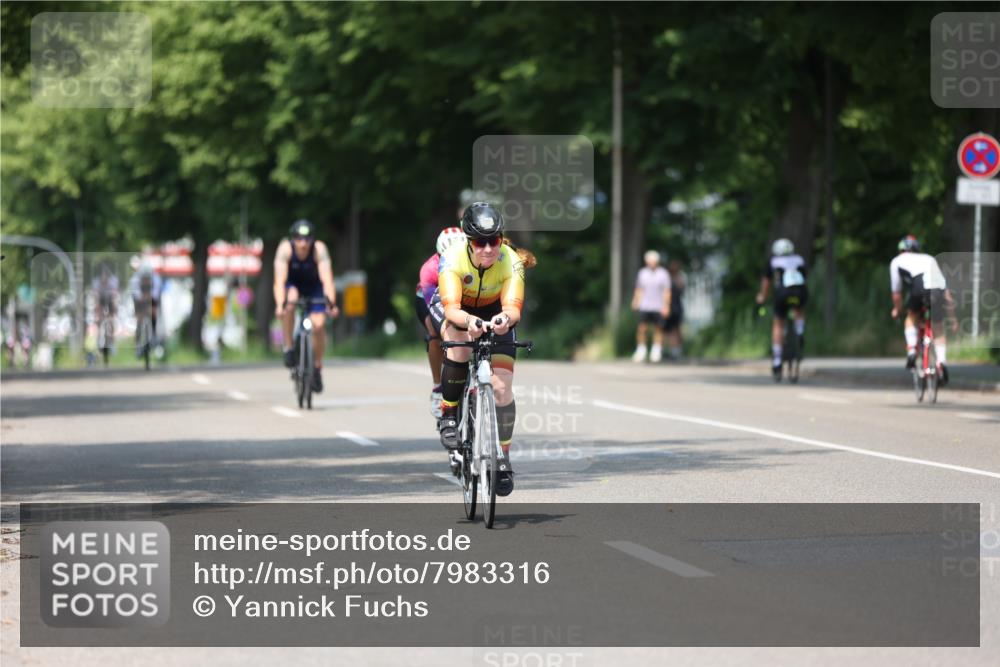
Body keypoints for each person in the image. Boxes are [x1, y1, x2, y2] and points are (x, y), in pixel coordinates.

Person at [431, 202, 535, 496]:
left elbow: (513, 309)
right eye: (480, 242)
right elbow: (451, 308)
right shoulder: (452, 259)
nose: (488, 248)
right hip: (459, 309)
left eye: (494, 240)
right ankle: (449, 415)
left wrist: (504, 320)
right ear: (468, 241)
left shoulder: (511, 260)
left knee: (502, 389)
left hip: (495, 310)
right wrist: (469, 321)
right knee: (460, 347)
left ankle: (503, 457)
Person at [273, 219, 339, 393]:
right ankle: (288, 346)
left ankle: (316, 367)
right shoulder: (285, 250)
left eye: (307, 239)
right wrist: (280, 304)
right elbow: (279, 281)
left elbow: (327, 279)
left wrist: (331, 304)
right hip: (292, 284)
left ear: (312, 240)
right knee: (290, 300)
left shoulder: (319, 249)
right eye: (299, 239)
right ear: (293, 239)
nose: (303, 244)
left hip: (313, 287)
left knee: (319, 324)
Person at [889, 234, 954, 384]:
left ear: (901, 250)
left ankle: (912, 351)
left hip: (918, 286)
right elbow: (946, 291)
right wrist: (953, 318)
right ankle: (941, 363)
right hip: (937, 289)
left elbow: (897, 293)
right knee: (938, 326)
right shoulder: (929, 258)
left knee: (911, 317)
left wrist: (897, 310)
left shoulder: (896, 261)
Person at [415, 226, 466, 418]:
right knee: (435, 334)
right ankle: (438, 387)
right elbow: (433, 307)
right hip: (429, 300)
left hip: (458, 298)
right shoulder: (429, 270)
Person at [756, 238, 807, 381]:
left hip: (782, 294)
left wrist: (762, 297)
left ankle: (777, 361)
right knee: (799, 310)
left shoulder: (773, 262)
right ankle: (800, 331)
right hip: (799, 292)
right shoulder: (799, 260)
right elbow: (804, 278)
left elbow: (766, 283)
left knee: (778, 323)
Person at [630, 250, 671, 363]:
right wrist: (635, 300)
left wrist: (666, 306)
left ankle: (656, 350)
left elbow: (667, 291)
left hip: (658, 306)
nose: (651, 263)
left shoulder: (663, 273)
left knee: (658, 329)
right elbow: (639, 289)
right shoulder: (642, 273)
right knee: (642, 328)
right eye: (649, 261)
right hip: (645, 306)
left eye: (653, 261)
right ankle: (641, 350)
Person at [128, 260, 163, 357]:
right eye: (144, 278)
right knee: (139, 318)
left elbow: (155, 296)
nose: (146, 280)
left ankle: (154, 335)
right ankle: (138, 343)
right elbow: (137, 297)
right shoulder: (134, 280)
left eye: (148, 278)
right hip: (139, 300)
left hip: (150, 298)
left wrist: (149, 300)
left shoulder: (156, 279)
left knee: (153, 311)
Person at [663, 259, 686, 360]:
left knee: (677, 329)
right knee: (667, 330)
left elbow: (681, 288)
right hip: (668, 306)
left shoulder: (681, 277)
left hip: (677, 306)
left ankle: (677, 350)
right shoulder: (666, 277)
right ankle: (670, 350)